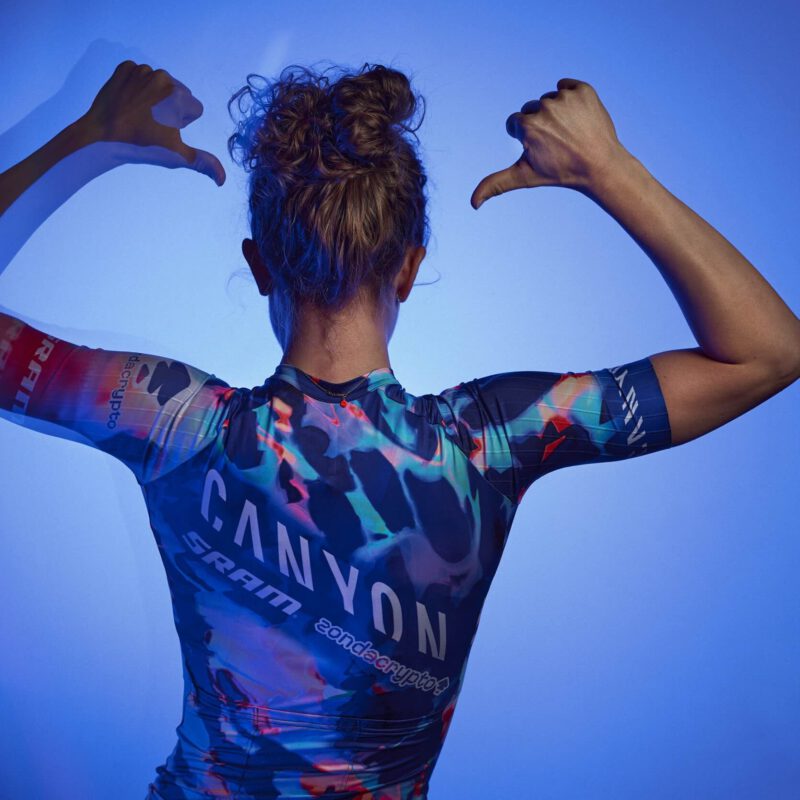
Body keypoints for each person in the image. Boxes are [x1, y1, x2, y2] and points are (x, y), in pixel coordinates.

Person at [0, 59, 798, 800]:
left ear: (259, 264)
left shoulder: (172, 420)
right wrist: (608, 169)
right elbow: (767, 352)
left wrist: (86, 140)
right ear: (410, 267)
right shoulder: (489, 442)